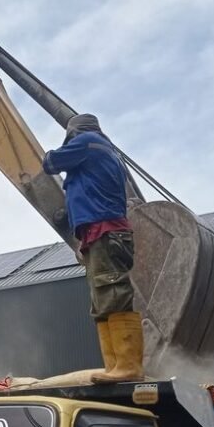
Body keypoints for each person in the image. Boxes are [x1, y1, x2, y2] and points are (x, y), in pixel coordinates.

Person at [42, 113, 141, 383]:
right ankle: (115, 368)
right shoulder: (104, 152)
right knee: (102, 302)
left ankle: (128, 366)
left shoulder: (87, 143)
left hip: (105, 232)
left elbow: (50, 162)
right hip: (98, 234)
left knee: (113, 293)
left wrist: (56, 152)